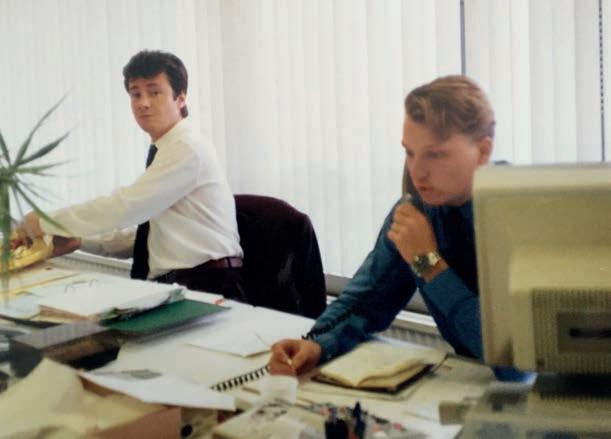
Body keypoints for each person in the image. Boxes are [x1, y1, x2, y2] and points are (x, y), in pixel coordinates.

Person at [269, 75, 522, 379]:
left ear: (482, 152)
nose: (417, 171)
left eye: (435, 154)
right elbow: (365, 302)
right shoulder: (420, 209)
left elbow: (516, 364)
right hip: (471, 385)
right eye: (410, 152)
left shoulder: (519, 213)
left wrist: (428, 264)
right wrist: (317, 343)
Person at [14, 50, 245, 299]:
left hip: (207, 286)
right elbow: (150, 237)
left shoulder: (187, 148)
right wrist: (80, 240)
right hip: (178, 285)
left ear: (180, 98)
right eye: (136, 94)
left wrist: (44, 222)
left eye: (154, 92)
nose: (143, 102)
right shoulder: (167, 149)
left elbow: (125, 207)